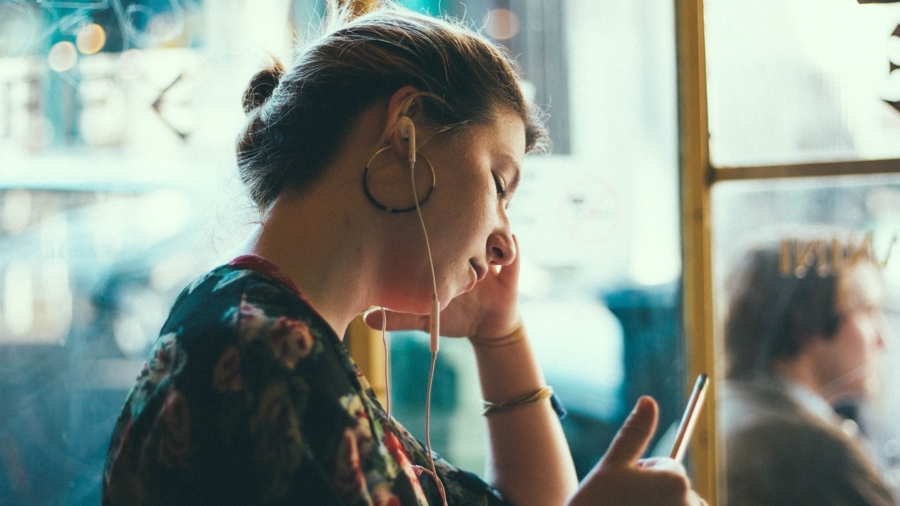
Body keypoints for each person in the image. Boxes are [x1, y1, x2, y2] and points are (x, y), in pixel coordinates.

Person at [101, 2, 706, 505]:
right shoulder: (272, 358)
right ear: (405, 130)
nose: (505, 243)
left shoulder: (251, 323)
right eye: (499, 185)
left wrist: (499, 334)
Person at [720, 234, 896, 506]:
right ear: (811, 320)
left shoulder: (722, 410)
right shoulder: (813, 448)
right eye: (867, 311)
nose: (883, 339)